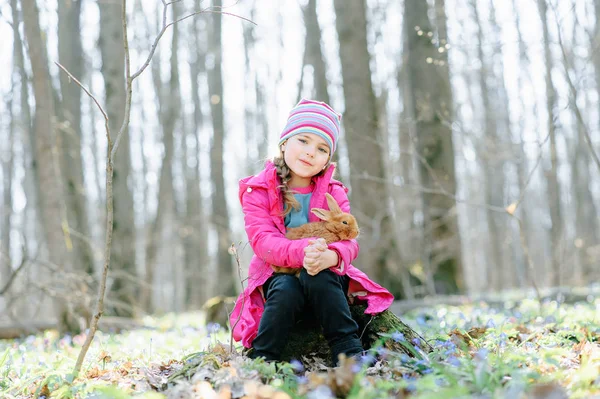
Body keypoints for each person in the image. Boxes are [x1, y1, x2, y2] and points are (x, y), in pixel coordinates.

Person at [229, 99, 394, 366]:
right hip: (279, 273)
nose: (310, 153)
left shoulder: (334, 191)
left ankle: (349, 351)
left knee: (317, 275)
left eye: (321, 148)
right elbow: (263, 241)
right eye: (303, 141)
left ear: (328, 158)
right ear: (284, 143)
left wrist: (332, 257)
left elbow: (350, 241)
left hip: (325, 275)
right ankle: (264, 359)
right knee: (284, 290)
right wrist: (302, 252)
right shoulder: (258, 190)